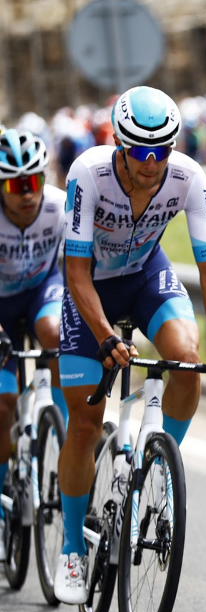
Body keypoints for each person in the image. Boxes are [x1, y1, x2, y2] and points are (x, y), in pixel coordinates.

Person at [55, 86, 206, 604]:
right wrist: (106, 335)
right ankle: (70, 547)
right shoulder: (88, 173)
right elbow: (75, 271)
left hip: (146, 275)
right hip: (92, 287)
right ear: (119, 144)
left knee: (185, 357)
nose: (153, 164)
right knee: (85, 421)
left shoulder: (187, 176)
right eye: (141, 153)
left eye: (163, 151)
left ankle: (158, 460)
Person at [0, 129, 68, 561]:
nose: (27, 193)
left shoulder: (60, 207)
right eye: (14, 184)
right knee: (3, 405)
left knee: (56, 335)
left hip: (45, 287)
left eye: (34, 181)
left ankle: (59, 430)